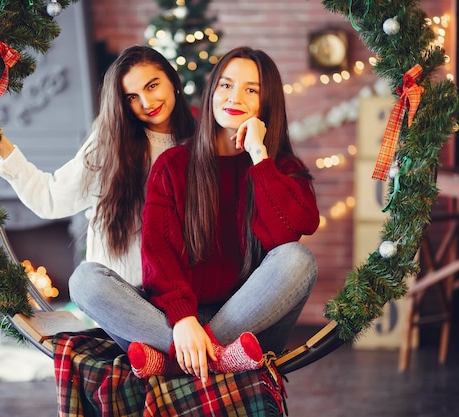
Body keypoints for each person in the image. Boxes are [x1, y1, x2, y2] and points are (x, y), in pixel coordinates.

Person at [72, 46, 319, 384]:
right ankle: (218, 358)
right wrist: (184, 320)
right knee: (84, 281)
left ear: (268, 102)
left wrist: (260, 157)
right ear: (212, 91)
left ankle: (175, 362)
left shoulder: (281, 168)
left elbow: (291, 232)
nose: (235, 97)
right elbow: (158, 255)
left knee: (298, 259)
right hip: (174, 321)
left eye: (251, 90)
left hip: (250, 323)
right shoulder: (173, 165)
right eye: (226, 85)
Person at [0, 46, 195, 293]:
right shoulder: (109, 144)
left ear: (173, 80)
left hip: (178, 294)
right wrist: (3, 147)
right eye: (131, 97)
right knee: (85, 282)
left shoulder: (199, 144)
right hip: (118, 292)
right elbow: (51, 199)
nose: (147, 103)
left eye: (152, 86)